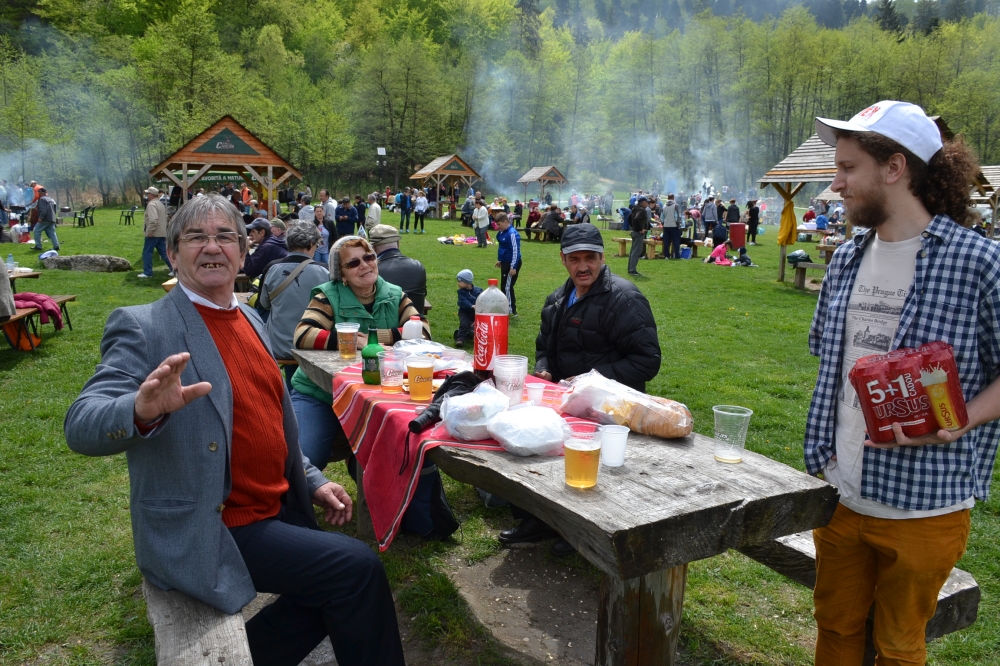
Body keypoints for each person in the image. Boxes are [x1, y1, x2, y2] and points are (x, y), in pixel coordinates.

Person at [64, 194, 405, 665]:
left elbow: (269, 421)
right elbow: (81, 423)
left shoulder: (247, 317)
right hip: (212, 524)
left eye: (225, 236)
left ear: (244, 253)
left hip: (271, 508)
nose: (211, 247)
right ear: (172, 252)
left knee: (338, 590)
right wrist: (140, 410)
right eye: (196, 237)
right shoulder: (144, 326)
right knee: (357, 571)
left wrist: (314, 479)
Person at [807, 100, 1000, 666]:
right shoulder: (844, 259)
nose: (836, 184)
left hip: (926, 505)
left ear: (895, 168)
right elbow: (833, 369)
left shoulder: (980, 263)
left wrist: (961, 417)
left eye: (847, 169)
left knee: (897, 645)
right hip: (839, 491)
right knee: (836, 628)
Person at [500, 223, 661, 555]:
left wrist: (590, 382)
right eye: (575, 259)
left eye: (591, 258)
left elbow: (647, 362)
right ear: (563, 260)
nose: (583, 266)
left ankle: (578, 529)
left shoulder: (623, 298)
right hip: (565, 400)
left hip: (610, 409)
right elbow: (545, 346)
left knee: (580, 462)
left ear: (602, 258)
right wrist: (544, 368)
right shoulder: (557, 299)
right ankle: (538, 518)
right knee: (520, 437)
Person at [289, 236, 429, 471]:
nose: (364, 265)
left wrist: (371, 338)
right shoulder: (327, 295)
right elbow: (303, 334)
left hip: (378, 397)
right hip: (322, 393)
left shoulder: (394, 294)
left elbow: (421, 331)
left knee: (386, 462)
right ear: (341, 274)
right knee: (305, 461)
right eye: (353, 263)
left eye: (368, 257)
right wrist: (351, 341)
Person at [258, 221, 330, 391]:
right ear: (313, 244)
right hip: (313, 345)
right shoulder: (324, 272)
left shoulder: (271, 269)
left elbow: (264, 304)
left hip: (279, 344)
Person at [369, 224, 427, 316]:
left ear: (373, 248)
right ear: (398, 244)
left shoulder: (372, 271)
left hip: (387, 326)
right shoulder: (418, 266)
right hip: (416, 322)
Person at [138, 186, 172, 278]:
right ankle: (175, 269)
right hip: (162, 232)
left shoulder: (151, 205)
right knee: (164, 253)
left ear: (151, 195)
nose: (147, 195)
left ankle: (147, 272)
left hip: (154, 233)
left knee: (147, 252)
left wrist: (150, 231)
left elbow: (153, 220)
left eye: (148, 193)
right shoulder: (160, 204)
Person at [494, 212, 521, 316]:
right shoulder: (501, 233)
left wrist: (513, 267)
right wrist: (501, 260)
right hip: (505, 262)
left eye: (499, 224)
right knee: (504, 285)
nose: (497, 226)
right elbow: (503, 248)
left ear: (506, 222)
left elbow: (515, 251)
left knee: (508, 286)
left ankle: (511, 310)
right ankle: (505, 306)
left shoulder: (512, 234)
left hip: (512, 263)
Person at [454, 269, 482, 347]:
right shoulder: (461, 292)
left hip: (476, 313)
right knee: (464, 324)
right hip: (464, 312)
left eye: (459, 281)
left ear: (467, 283)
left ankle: (472, 336)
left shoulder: (478, 291)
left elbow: (483, 300)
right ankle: (460, 339)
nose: (458, 283)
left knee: (477, 327)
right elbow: (462, 301)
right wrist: (471, 305)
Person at [30, 187, 59, 252]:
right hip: (52, 218)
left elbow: (43, 209)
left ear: (42, 192)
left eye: (39, 192)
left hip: (45, 219)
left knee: (36, 231)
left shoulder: (42, 199)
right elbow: (55, 209)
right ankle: (56, 246)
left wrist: (41, 217)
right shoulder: (51, 199)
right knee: (52, 233)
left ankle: (38, 246)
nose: (38, 193)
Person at [627, 196, 650, 276]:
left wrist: (633, 227)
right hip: (638, 233)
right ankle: (632, 270)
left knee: (633, 251)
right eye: (646, 202)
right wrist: (640, 229)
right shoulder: (642, 210)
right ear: (642, 203)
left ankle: (630, 269)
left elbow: (629, 218)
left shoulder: (635, 208)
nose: (647, 203)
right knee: (636, 251)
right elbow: (637, 219)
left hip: (634, 231)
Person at [661, 194, 682, 259]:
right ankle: (677, 256)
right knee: (676, 241)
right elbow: (677, 216)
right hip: (674, 226)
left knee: (666, 241)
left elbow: (662, 217)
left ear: (667, 198)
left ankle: (666, 255)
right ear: (673, 198)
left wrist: (663, 223)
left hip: (666, 225)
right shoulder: (675, 205)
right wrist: (678, 224)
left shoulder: (664, 206)